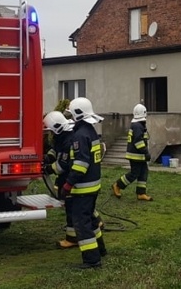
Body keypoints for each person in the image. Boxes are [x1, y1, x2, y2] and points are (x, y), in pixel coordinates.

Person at [43, 110, 104, 249]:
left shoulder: (72, 138)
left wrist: (48, 169)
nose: (50, 134)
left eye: (51, 131)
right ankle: (81, 239)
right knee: (78, 210)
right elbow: (56, 150)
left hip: (75, 181)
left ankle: (82, 245)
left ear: (56, 129)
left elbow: (63, 164)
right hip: (79, 181)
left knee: (77, 211)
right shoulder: (64, 136)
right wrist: (48, 158)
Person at [60, 97, 106, 269]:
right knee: (91, 220)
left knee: (81, 223)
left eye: (71, 114)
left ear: (78, 114)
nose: (70, 117)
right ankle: (100, 249)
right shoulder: (91, 131)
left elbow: (81, 164)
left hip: (83, 188)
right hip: (93, 186)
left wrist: (68, 184)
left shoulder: (79, 135)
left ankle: (92, 260)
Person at [112, 103, 154, 201]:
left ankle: (141, 193)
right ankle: (117, 185)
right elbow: (138, 141)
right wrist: (146, 152)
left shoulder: (138, 125)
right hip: (136, 155)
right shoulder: (137, 126)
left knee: (143, 172)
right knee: (134, 173)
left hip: (139, 155)